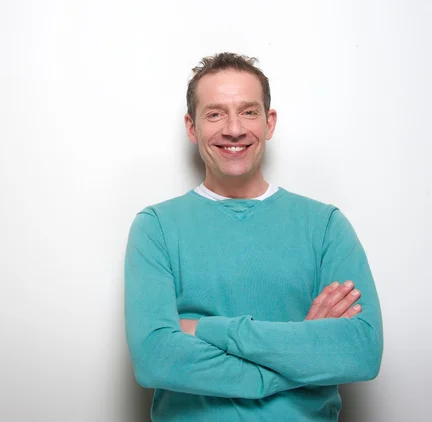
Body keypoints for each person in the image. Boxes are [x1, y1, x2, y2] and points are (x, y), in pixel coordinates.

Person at [124, 53, 383, 422]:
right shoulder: (156, 227)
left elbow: (360, 352)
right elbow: (156, 359)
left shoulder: (325, 225)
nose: (233, 129)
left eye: (248, 112)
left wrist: (203, 329)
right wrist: (300, 353)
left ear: (269, 122)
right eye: (215, 113)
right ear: (192, 126)